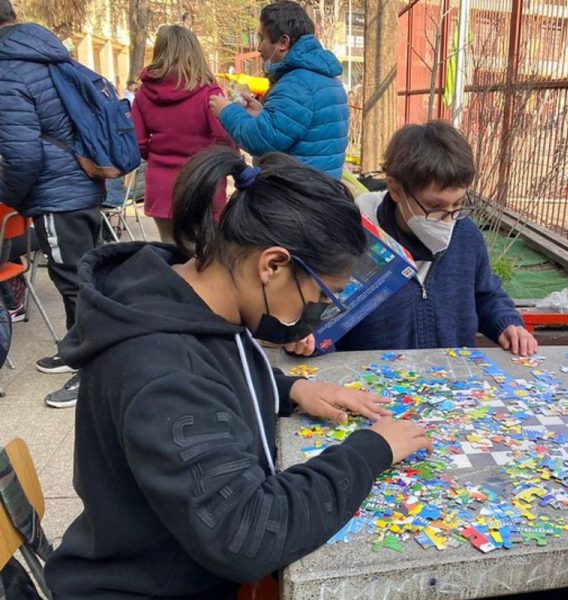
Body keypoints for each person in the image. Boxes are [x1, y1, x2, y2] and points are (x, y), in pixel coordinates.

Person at [43, 147, 433, 599]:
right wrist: (369, 452)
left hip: (170, 564)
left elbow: (215, 383)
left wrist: (289, 390)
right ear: (272, 265)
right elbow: (247, 534)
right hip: (145, 587)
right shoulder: (163, 373)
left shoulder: (191, 297)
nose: (321, 310)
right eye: (324, 294)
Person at [336, 121, 538, 356]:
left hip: (452, 381)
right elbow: (329, 322)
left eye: (458, 204)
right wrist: (308, 339)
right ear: (396, 190)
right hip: (374, 382)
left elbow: (486, 294)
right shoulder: (354, 243)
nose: (448, 220)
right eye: (436, 206)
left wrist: (507, 323)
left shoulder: (466, 236)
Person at [0, 0, 105, 407]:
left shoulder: (8, 69)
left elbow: (24, 156)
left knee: (75, 283)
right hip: (82, 183)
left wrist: (8, 196)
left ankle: (92, 374)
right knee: (80, 277)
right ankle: (75, 348)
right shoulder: (44, 52)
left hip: (57, 193)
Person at [209, 0, 349, 179]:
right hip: (319, 191)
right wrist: (262, 113)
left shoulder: (297, 84)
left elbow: (262, 140)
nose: (259, 48)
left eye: (262, 39)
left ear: (283, 42)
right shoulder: (324, 77)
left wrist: (226, 111)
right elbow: (297, 129)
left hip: (296, 195)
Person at [132, 24, 235, 243]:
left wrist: (160, 155)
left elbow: (139, 143)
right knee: (204, 260)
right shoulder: (209, 93)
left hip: (161, 187)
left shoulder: (143, 94)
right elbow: (225, 140)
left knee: (172, 257)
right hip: (202, 184)